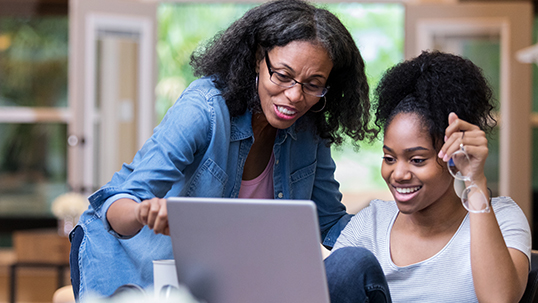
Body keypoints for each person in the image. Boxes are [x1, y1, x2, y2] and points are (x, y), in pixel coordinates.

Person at [69, 0, 383, 300]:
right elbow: (116, 208)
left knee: (354, 264)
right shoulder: (204, 109)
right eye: (283, 76)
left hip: (220, 275)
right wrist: (142, 211)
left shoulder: (309, 130)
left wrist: (401, 228)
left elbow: (330, 223)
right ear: (258, 60)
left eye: (313, 83)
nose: (295, 96)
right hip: (130, 264)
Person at [328, 51, 532, 302]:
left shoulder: (502, 218)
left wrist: (474, 179)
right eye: (389, 158)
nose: (399, 174)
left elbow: (500, 299)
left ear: (453, 155)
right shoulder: (370, 223)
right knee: (346, 262)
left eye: (417, 160)